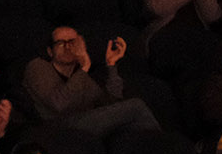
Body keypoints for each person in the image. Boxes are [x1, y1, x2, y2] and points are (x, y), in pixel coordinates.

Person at [20, 25, 159, 139]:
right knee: (136, 106)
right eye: (61, 43)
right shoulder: (38, 66)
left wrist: (111, 66)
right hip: (56, 127)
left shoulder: (82, 77)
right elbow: (59, 104)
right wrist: (85, 66)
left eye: (73, 42)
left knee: (131, 122)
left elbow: (111, 104)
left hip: (82, 124)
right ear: (50, 51)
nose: (68, 47)